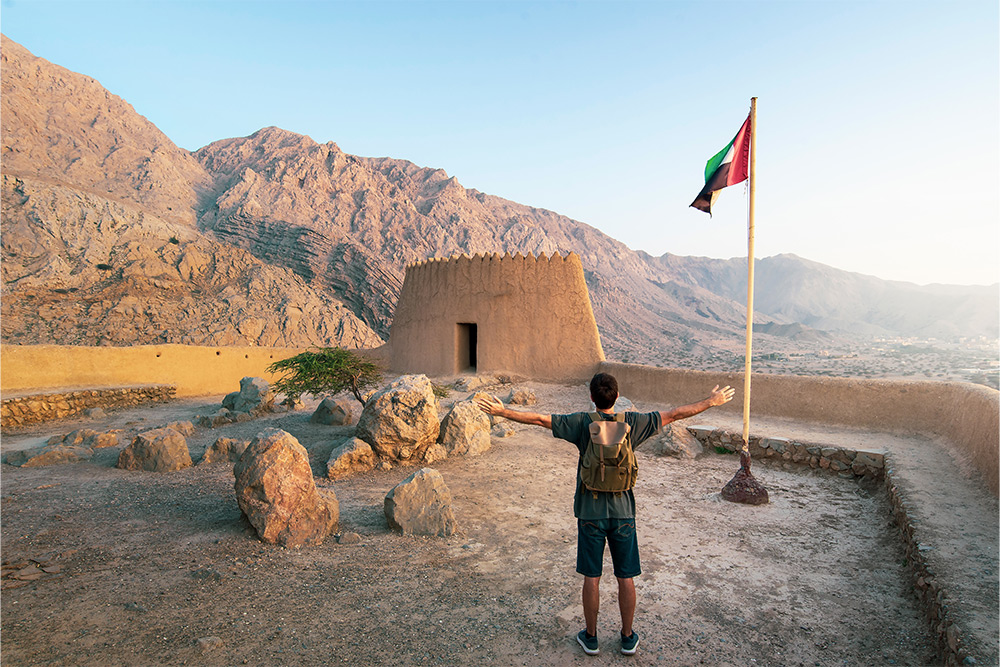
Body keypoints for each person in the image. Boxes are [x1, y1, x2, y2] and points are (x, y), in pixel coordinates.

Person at [476, 373, 734, 657]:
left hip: (590, 512)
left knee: (592, 576)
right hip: (623, 513)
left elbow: (539, 419)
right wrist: (712, 401)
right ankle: (626, 638)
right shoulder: (633, 423)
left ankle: (591, 637)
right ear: (617, 396)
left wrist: (502, 411)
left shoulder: (581, 423)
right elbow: (674, 414)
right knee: (626, 576)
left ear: (592, 397)